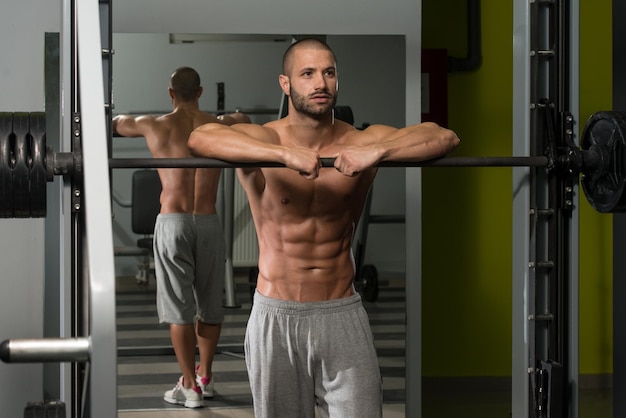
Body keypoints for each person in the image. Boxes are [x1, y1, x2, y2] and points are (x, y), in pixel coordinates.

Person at [188, 39, 460, 418]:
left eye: (329, 72)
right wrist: (284, 154)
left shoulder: (360, 142)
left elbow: (442, 136)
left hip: (341, 313)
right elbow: (200, 138)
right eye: (308, 73)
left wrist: (377, 152)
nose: (320, 82)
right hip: (275, 316)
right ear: (286, 83)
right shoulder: (265, 139)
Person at [112, 66, 250, 409]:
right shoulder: (218, 125)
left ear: (171, 93)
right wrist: (227, 115)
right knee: (210, 304)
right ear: (200, 91)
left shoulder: (154, 124)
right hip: (207, 220)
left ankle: (189, 386)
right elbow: (244, 117)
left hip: (172, 221)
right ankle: (206, 375)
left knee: (179, 308)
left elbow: (115, 122)